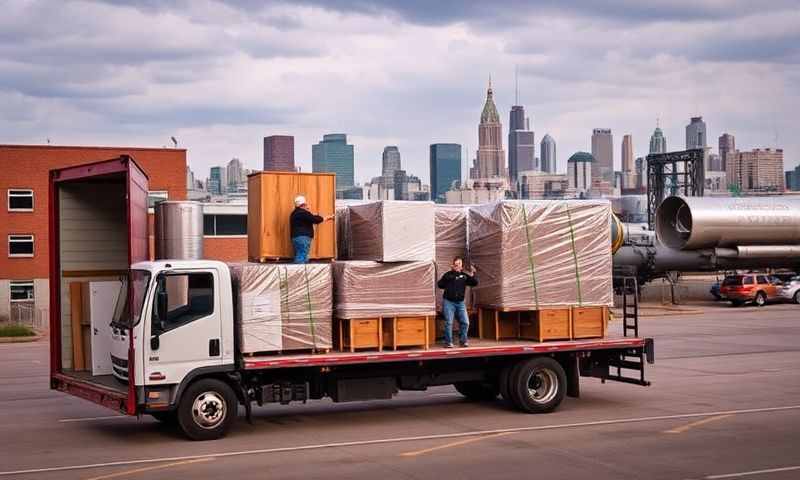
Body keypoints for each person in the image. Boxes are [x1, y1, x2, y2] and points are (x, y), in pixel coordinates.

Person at [437, 256, 478, 348]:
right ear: (453, 264)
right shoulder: (448, 274)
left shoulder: (464, 276)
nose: (457, 265)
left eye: (459, 263)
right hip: (448, 302)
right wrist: (452, 274)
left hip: (460, 303)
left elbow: (475, 283)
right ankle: (448, 342)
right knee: (449, 322)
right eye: (456, 263)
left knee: (465, 322)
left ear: (461, 266)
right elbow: (440, 285)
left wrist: (473, 273)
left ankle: (463, 341)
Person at [290, 195, 332, 263]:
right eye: (306, 204)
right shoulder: (302, 212)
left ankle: (302, 271)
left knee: (302, 255)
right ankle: (299, 272)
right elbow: (314, 219)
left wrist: (310, 213)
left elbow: (311, 217)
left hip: (296, 237)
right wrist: (325, 218)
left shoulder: (294, 213)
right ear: (303, 204)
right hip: (303, 237)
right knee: (302, 255)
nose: (307, 205)